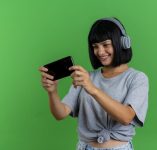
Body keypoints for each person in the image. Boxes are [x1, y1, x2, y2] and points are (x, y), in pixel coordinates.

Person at [39, 17, 149, 150]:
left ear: (122, 43)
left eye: (105, 45)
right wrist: (52, 92)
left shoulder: (137, 78)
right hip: (84, 147)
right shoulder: (86, 77)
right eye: (95, 47)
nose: (100, 52)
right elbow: (60, 114)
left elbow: (126, 117)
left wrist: (92, 89)